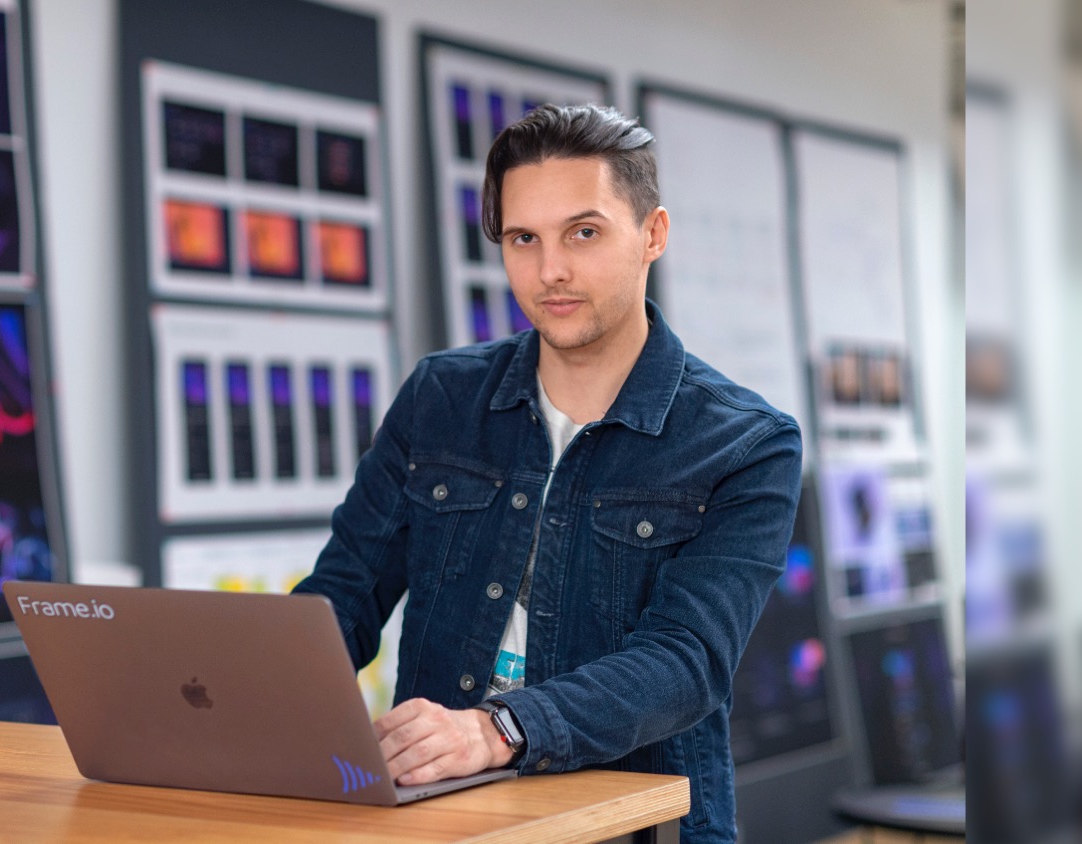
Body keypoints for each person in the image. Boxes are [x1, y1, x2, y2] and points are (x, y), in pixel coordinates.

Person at [292, 103, 802, 843]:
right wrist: (248, 700)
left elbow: (686, 660)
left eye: (583, 233)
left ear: (652, 234)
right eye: (522, 238)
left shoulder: (746, 443)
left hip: (632, 826)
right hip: (442, 818)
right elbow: (344, 595)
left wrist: (497, 730)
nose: (550, 270)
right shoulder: (441, 397)